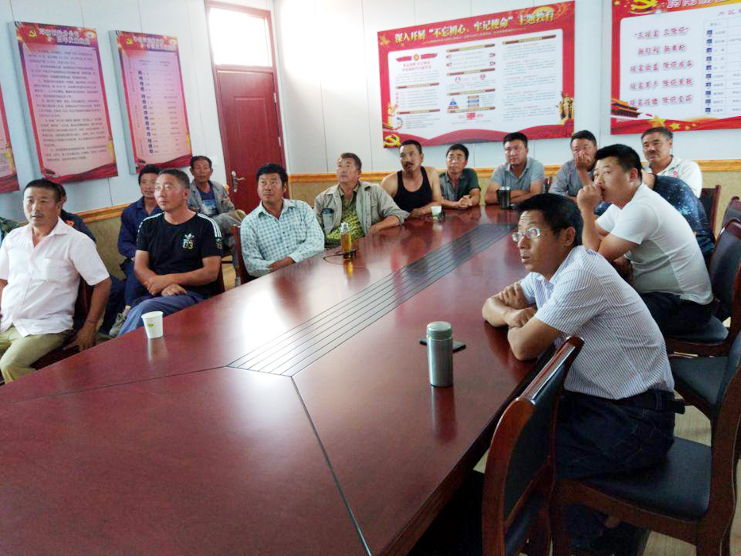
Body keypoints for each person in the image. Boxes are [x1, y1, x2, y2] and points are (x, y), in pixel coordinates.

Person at [482, 193, 676, 553]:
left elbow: (523, 346)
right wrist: (512, 316)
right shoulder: (545, 273)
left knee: (520, 457)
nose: (521, 244)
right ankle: (593, 523)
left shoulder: (582, 273)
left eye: (533, 233)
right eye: (518, 234)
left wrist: (516, 325)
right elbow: (490, 305)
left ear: (567, 236)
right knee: (522, 441)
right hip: (603, 403)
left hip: (638, 420)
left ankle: (597, 532)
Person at [578, 144, 713, 335]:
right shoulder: (623, 203)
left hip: (684, 305)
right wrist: (618, 252)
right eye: (596, 174)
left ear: (632, 175)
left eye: (606, 173)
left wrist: (585, 209)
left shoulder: (642, 208)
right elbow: (596, 232)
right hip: (662, 296)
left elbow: (594, 256)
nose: (598, 181)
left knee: (595, 321)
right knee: (593, 309)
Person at [0, 179, 111, 382]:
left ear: (59, 206)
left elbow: (102, 283)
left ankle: (43, 401)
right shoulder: (13, 238)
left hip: (46, 327)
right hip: (7, 322)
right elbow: (2, 280)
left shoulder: (76, 241)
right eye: (30, 201)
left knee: (10, 364)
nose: (35, 207)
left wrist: (90, 326)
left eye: (43, 201)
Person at [118, 169, 223, 336]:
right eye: (157, 188)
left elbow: (210, 272)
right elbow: (139, 267)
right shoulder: (148, 225)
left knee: (145, 310)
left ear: (185, 194)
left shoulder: (205, 225)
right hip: (158, 294)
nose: (161, 193)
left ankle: (120, 349)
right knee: (142, 309)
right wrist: (163, 286)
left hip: (194, 295)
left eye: (168, 187)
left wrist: (169, 279)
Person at [241, 163, 324, 277]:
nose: (267, 187)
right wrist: (278, 269)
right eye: (263, 182)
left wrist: (290, 260)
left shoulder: (302, 208)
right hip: (274, 280)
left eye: (273, 182)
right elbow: (252, 264)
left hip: (310, 272)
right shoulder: (249, 222)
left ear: (284, 187)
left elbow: (317, 242)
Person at [314, 153, 407, 242]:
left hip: (363, 245)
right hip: (330, 247)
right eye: (340, 166)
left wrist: (376, 228)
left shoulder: (374, 191)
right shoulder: (322, 198)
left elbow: (398, 215)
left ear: (358, 173)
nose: (343, 170)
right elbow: (314, 229)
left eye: (348, 166)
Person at [118, 164, 163, 308]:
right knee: (136, 269)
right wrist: (139, 255)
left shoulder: (169, 208)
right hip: (138, 258)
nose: (148, 186)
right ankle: (128, 311)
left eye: (153, 182)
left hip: (164, 258)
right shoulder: (130, 212)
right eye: (144, 182)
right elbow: (123, 243)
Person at [188, 155, 243, 260]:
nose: (202, 171)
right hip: (203, 231)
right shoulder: (187, 192)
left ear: (211, 171)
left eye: (205, 168)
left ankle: (239, 271)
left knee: (237, 240)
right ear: (192, 171)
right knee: (224, 218)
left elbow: (230, 210)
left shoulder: (218, 187)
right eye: (198, 168)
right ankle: (246, 228)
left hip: (222, 231)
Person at [380, 139, 443, 217]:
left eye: (412, 154)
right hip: (400, 223)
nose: (407, 159)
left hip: (428, 222)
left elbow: (437, 202)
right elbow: (380, 212)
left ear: (421, 157)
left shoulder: (431, 173)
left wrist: (421, 211)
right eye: (402, 156)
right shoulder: (389, 182)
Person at [485, 132, 545, 205]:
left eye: (517, 148)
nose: (512, 153)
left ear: (526, 151)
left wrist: (507, 201)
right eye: (508, 149)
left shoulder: (536, 166)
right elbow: (489, 198)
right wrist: (520, 193)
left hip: (530, 210)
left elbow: (535, 195)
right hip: (505, 211)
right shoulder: (500, 170)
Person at [641, 127, 702, 197]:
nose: (651, 149)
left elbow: (689, 197)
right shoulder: (641, 172)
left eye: (656, 143)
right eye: (646, 145)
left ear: (670, 144)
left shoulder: (686, 167)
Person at [551, 130, 598, 200]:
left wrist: (582, 169)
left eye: (585, 148)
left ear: (596, 148)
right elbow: (554, 192)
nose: (581, 153)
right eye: (576, 149)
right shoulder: (567, 167)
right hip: (572, 206)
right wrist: (575, 200)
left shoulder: (603, 166)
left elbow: (597, 199)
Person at [439, 144, 480, 209]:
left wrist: (469, 202)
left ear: (465, 162)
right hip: (446, 214)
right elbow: (437, 200)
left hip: (467, 214)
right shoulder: (439, 178)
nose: (454, 161)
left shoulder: (470, 174)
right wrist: (456, 204)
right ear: (446, 160)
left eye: (458, 158)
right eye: (451, 158)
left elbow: (476, 196)